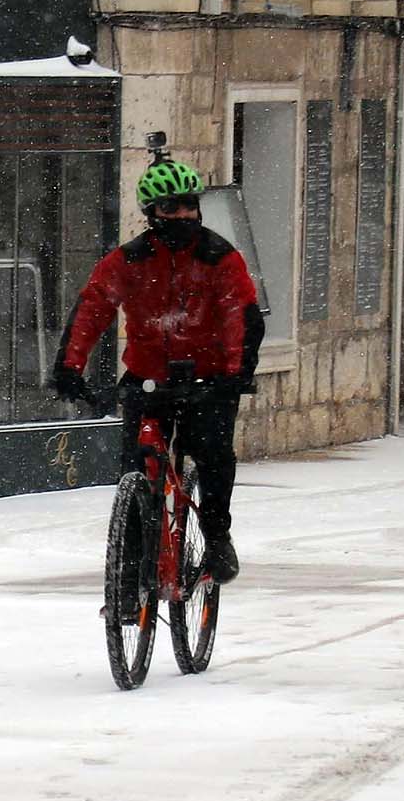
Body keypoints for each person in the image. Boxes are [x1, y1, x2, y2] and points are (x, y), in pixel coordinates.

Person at [54, 157, 265, 584]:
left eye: (189, 205)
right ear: (151, 213)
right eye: (170, 208)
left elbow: (239, 316)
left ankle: (217, 534)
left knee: (213, 455)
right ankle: (132, 567)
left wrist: (235, 373)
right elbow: (93, 308)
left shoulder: (220, 258)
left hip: (210, 379)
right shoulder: (128, 261)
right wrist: (70, 367)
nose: (182, 215)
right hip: (149, 376)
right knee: (135, 467)